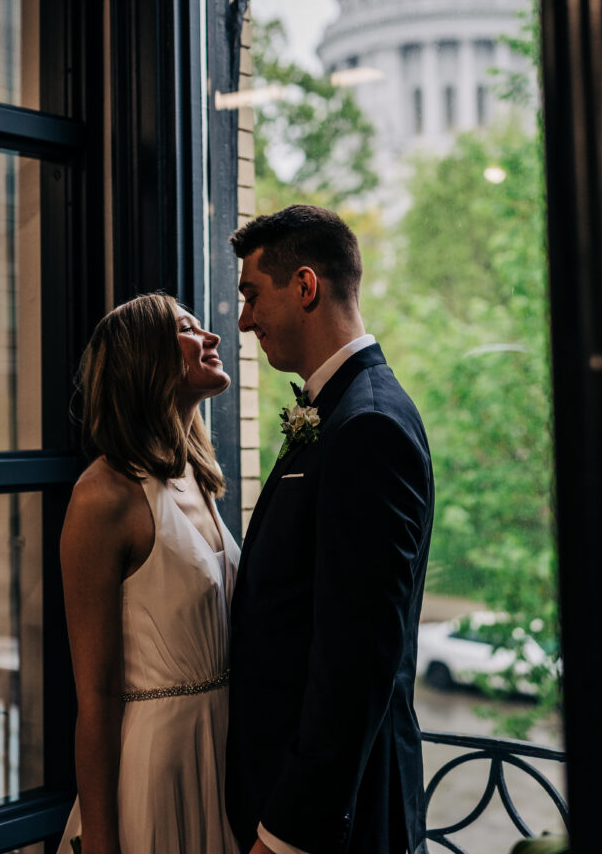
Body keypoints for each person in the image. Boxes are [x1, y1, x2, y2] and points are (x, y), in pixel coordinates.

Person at [226, 205, 434, 854]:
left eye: (252, 296)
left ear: (306, 286)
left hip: (331, 820)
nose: (243, 320)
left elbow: (356, 655)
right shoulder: (337, 411)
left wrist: (288, 832)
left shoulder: (366, 426)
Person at [57, 293, 241, 854]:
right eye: (188, 328)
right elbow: (96, 694)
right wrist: (103, 843)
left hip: (227, 755)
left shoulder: (197, 480)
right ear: (146, 359)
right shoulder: (102, 496)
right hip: (156, 768)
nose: (211, 337)